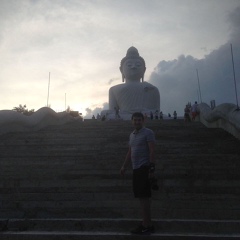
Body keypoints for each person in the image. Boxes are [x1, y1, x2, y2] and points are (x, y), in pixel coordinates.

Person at [120, 112, 156, 235]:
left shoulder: (148, 132)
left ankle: (146, 224)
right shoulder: (132, 135)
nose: (137, 122)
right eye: (135, 120)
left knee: (144, 197)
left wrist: (151, 168)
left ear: (143, 120)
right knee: (142, 198)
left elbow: (152, 151)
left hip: (144, 168)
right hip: (136, 168)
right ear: (132, 121)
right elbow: (130, 152)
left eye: (139, 120)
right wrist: (124, 166)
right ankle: (147, 224)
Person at [109, 47, 160, 114]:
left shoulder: (152, 89)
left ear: (144, 70)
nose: (133, 67)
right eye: (129, 65)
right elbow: (113, 112)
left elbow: (157, 112)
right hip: (124, 116)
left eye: (138, 65)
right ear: (121, 70)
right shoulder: (113, 90)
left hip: (145, 116)